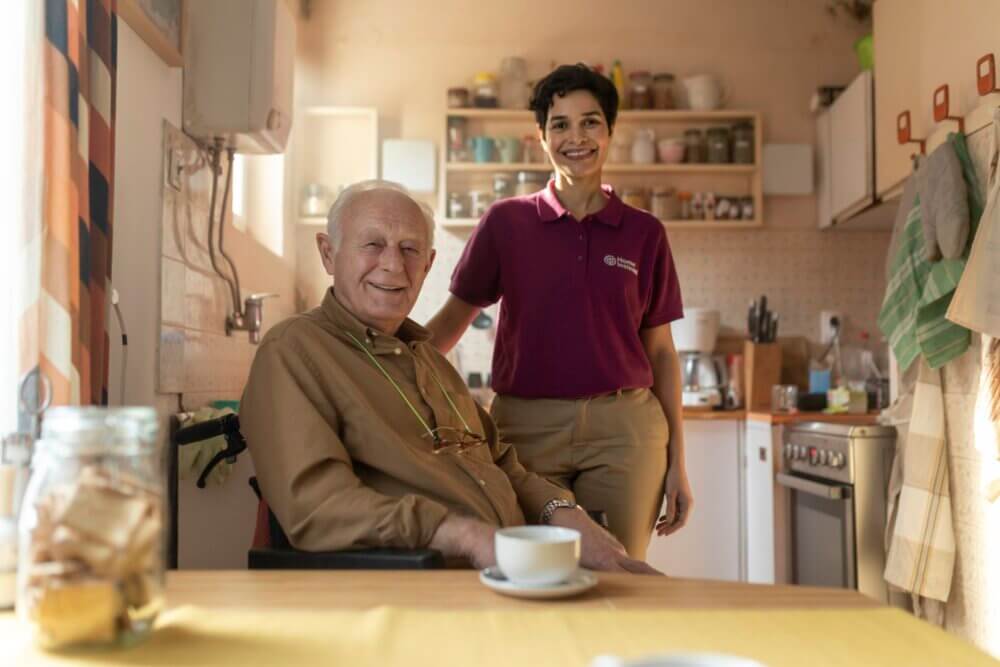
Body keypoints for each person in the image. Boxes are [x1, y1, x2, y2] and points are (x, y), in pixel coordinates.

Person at [240, 180, 657, 574]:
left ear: (428, 265)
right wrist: (465, 536)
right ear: (328, 254)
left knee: (643, 601)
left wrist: (566, 515)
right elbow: (318, 508)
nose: (392, 264)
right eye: (373, 244)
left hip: (511, 571)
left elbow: (501, 463)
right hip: (426, 585)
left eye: (409, 249)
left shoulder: (431, 360)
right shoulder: (294, 350)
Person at [427, 64, 692, 559]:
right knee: (531, 569)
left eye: (591, 122)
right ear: (541, 137)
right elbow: (449, 323)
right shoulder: (506, 223)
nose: (577, 137)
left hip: (625, 433)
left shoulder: (645, 233)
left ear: (611, 132)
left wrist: (679, 461)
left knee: (618, 574)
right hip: (524, 432)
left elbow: (661, 354)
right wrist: (381, 373)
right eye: (561, 124)